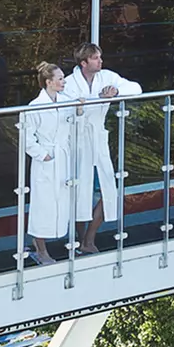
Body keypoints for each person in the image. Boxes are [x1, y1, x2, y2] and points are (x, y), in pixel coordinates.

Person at [62, 42, 142, 254]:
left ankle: (90, 238)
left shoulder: (107, 77)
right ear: (84, 63)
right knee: (80, 192)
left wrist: (116, 91)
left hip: (99, 138)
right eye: (96, 58)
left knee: (109, 190)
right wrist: (95, 99)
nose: (101, 61)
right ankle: (80, 242)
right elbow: (66, 110)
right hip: (77, 141)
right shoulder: (69, 83)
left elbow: (136, 88)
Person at [21, 62, 74, 265]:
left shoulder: (66, 101)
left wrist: (78, 109)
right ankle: (40, 249)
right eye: (60, 78)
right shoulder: (35, 106)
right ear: (48, 82)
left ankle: (58, 239)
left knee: (61, 200)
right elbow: (27, 136)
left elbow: (75, 120)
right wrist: (42, 155)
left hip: (63, 157)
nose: (63, 81)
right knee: (42, 204)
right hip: (46, 160)